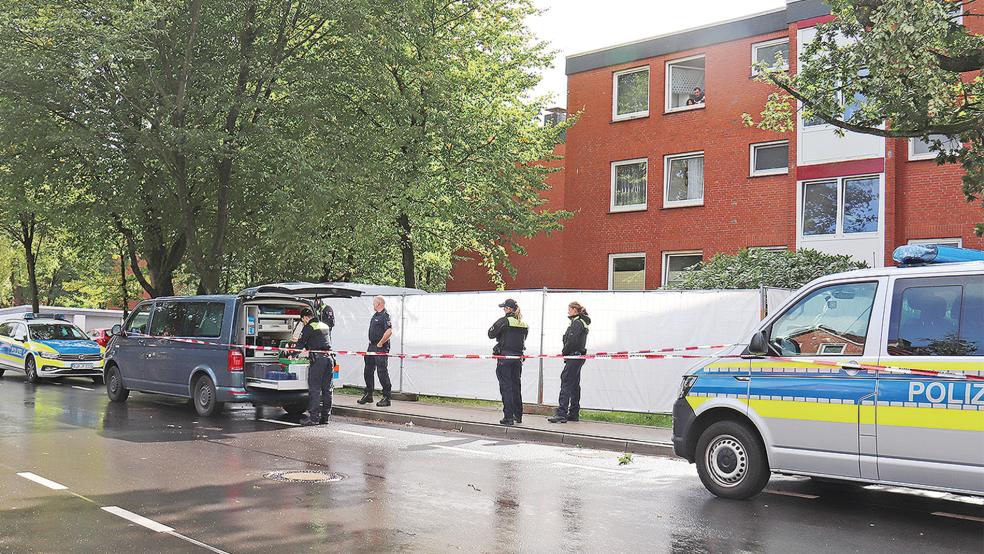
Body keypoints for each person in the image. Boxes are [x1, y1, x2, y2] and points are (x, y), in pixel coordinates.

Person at [488, 298, 529, 426]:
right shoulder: (523, 324)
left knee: (506, 387)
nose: (503, 310)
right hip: (517, 359)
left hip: (504, 359)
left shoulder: (504, 321)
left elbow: (491, 333)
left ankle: (508, 417)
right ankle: (518, 415)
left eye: (504, 308)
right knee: (516, 386)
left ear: (509, 309)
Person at [548, 302, 591, 424]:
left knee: (566, 381)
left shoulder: (577, 323)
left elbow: (572, 340)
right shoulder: (581, 322)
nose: (568, 311)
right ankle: (573, 413)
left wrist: (564, 352)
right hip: (578, 356)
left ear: (574, 310)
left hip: (574, 355)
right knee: (574, 384)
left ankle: (561, 413)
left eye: (569, 309)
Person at [295, 307, 333, 426]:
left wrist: (292, 354)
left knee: (315, 389)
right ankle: (325, 417)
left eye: (303, 320)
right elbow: (321, 341)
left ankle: (314, 418)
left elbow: (300, 344)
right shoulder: (324, 325)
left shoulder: (309, 327)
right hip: (329, 359)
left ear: (305, 318)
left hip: (318, 361)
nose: (303, 322)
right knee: (327, 390)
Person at [358, 296, 394, 407]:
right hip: (371, 346)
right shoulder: (375, 315)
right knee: (368, 370)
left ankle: (386, 397)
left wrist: (381, 343)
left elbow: (389, 331)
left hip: (380, 347)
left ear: (379, 304)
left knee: (381, 372)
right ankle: (368, 394)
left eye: (374, 303)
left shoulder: (385, 316)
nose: (372, 305)